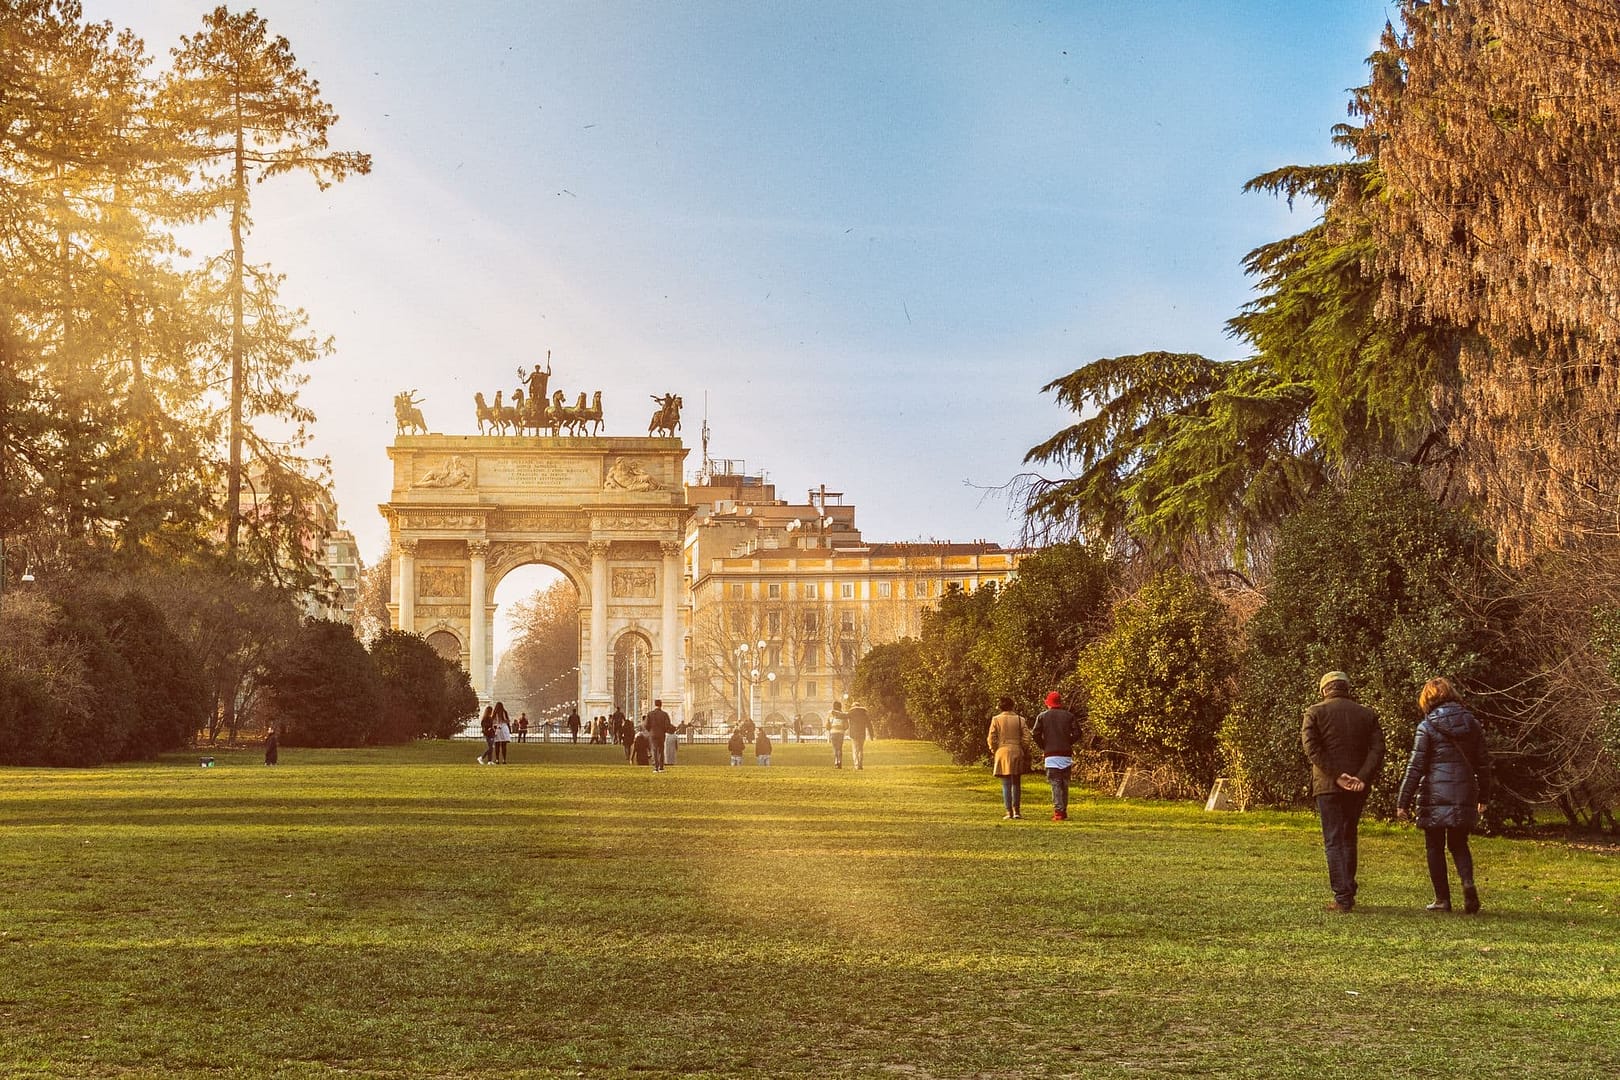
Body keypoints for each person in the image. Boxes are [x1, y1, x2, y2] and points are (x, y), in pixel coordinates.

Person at [1397, 677, 1493, 914]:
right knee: (1459, 843)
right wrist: (1485, 796)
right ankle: (1467, 882)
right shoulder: (1471, 724)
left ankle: (1442, 899)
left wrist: (1403, 801)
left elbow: (1415, 766)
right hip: (1464, 790)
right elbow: (1483, 763)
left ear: (1427, 699)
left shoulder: (1426, 726)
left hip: (1435, 792)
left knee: (1434, 845)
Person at [1302, 671, 1386, 913]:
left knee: (1333, 840)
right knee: (1349, 836)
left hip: (1328, 786)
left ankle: (1342, 896)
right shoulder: (1366, 714)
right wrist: (1361, 776)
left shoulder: (1314, 712)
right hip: (1357, 786)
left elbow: (1312, 749)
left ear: (1323, 690)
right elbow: (1378, 748)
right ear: (1347, 689)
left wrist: (1337, 775)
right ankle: (1348, 889)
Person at [1031, 691, 1082, 821]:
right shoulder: (1069, 716)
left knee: (1055, 784)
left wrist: (1044, 745)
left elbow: (1035, 734)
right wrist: (1068, 741)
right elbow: (1078, 733)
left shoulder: (1042, 716)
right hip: (1065, 754)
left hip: (1051, 754)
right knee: (1064, 784)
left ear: (1048, 703)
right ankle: (1063, 810)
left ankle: (1058, 811)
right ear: (1060, 702)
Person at [987, 697, 1031, 820]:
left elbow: (991, 738)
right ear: (1013, 706)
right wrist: (1022, 748)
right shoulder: (1020, 719)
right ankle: (1017, 811)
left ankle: (1008, 811)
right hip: (1017, 750)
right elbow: (1027, 737)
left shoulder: (996, 719)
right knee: (1016, 782)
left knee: (1006, 783)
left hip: (1002, 750)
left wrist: (994, 749)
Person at [846, 700, 875, 770]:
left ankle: (856, 765)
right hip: (862, 734)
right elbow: (869, 725)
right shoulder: (864, 714)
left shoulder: (851, 713)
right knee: (860, 749)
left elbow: (843, 715)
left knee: (855, 749)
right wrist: (871, 735)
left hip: (853, 734)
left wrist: (834, 712)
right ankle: (860, 764)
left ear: (853, 707)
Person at [646, 699, 673, 772]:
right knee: (661, 750)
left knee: (654, 750)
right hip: (661, 734)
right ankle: (661, 767)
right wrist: (664, 730)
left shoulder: (650, 714)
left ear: (655, 705)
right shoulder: (664, 714)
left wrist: (651, 731)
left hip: (653, 734)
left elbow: (646, 725)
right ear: (661, 705)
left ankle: (655, 767)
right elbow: (667, 725)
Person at [826, 702, 849, 768]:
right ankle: (840, 761)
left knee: (835, 748)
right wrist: (842, 728)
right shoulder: (843, 715)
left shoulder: (830, 715)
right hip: (841, 733)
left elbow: (827, 726)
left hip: (833, 732)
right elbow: (846, 726)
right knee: (839, 748)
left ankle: (836, 761)